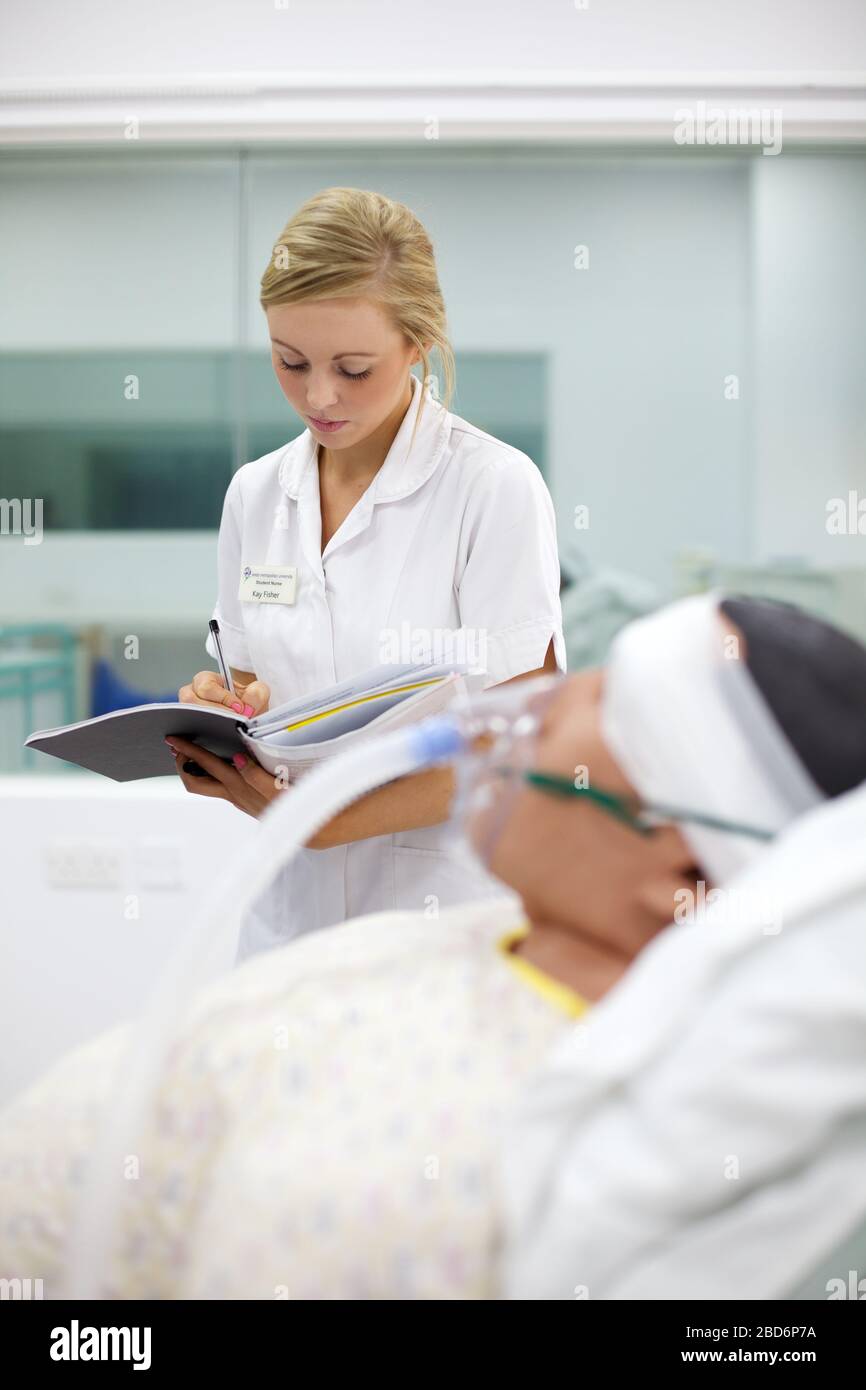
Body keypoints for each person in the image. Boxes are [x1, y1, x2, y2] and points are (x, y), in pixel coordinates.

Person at [2, 593, 864, 1299]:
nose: (536, 701)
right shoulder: (506, 934)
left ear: (677, 863)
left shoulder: (417, 1178)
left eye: (604, 702)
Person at [168, 186, 564, 961]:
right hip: (285, 923)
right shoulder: (256, 494)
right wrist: (219, 712)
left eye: (354, 367)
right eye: (291, 362)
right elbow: (254, 692)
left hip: (443, 928)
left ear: (417, 342)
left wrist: (330, 817)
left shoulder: (490, 486)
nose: (319, 395)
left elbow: (519, 744)